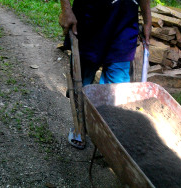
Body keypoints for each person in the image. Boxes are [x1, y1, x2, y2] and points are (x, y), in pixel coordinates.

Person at [59, 0, 154, 149]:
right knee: (83, 80)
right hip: (89, 18)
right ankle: (81, 125)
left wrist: (148, 20)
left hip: (124, 22)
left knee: (118, 88)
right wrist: (66, 10)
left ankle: (105, 132)